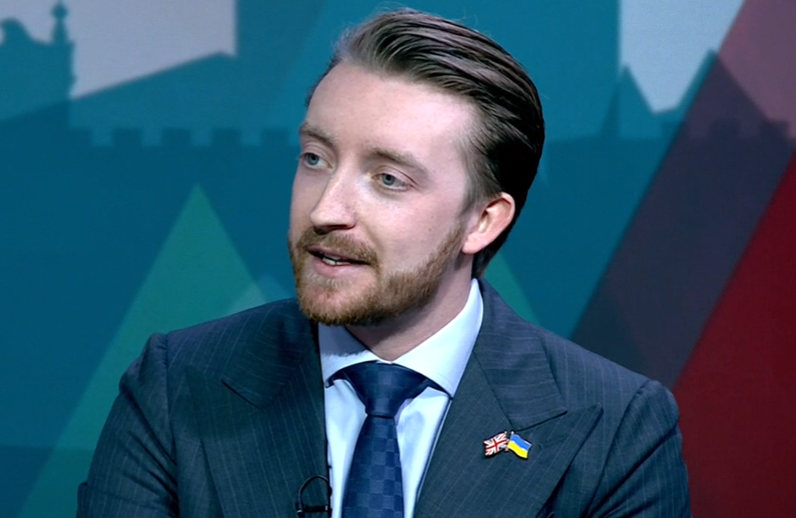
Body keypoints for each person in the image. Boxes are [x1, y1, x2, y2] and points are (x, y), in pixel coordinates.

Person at [77, 8, 690, 518]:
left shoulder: (617, 428)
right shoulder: (176, 384)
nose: (326, 209)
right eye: (315, 158)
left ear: (482, 220)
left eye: (388, 179)